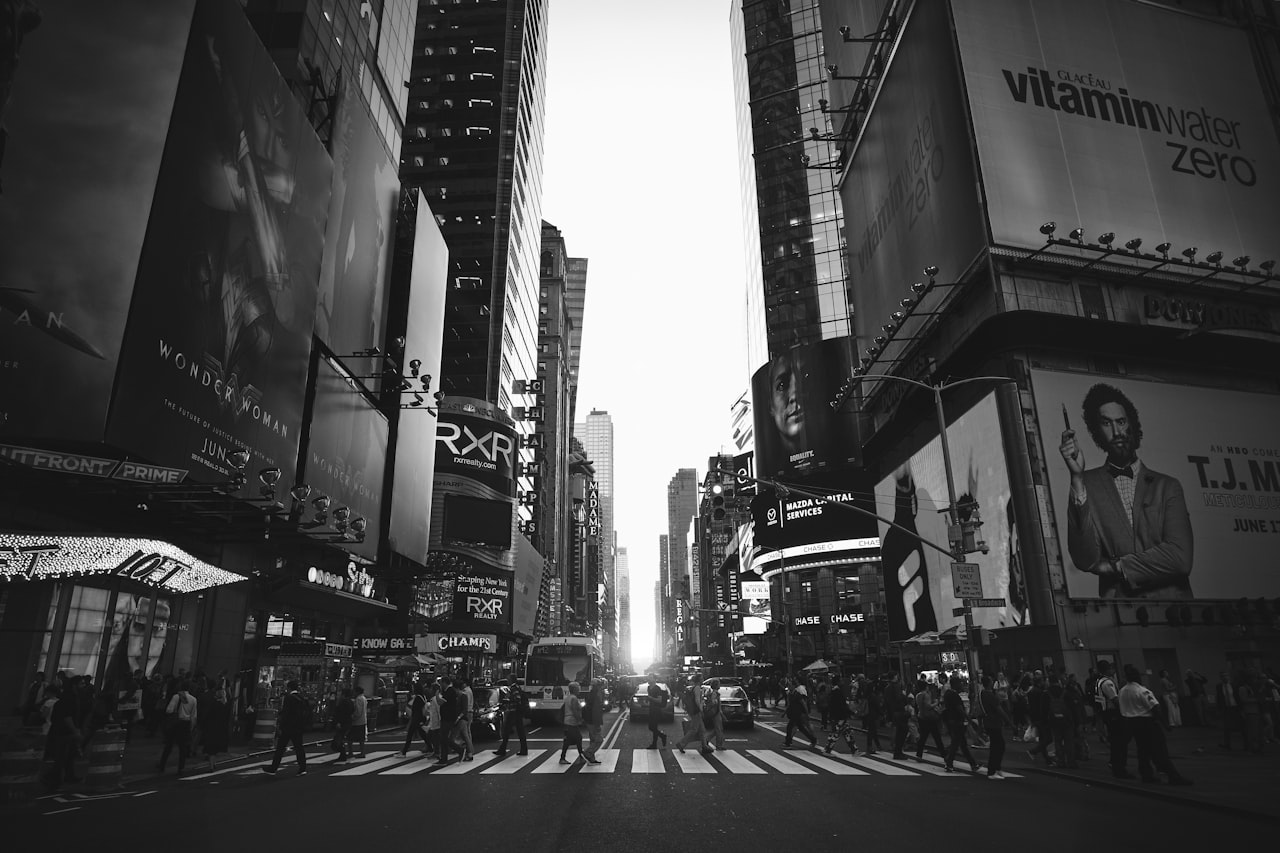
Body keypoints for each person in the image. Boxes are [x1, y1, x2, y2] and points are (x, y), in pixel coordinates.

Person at [1059, 383, 1194, 598]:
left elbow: (1180, 558)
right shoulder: (1087, 484)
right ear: (1096, 432)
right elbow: (1086, 560)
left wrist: (1117, 567)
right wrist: (1076, 477)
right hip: (1120, 616)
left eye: (1121, 422)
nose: (1117, 432)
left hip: (1176, 616)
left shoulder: (1167, 486)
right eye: (1106, 423)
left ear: (1132, 423)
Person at [1119, 666, 1191, 785]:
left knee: (1142, 750)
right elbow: (1155, 708)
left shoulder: (1122, 691)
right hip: (1147, 723)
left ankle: (1146, 774)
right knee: (1160, 749)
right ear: (1137, 677)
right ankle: (1173, 776)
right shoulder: (1142, 690)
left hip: (1132, 723)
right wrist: (1165, 724)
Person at [263, 680, 309, 775]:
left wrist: (280, 725)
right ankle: (302, 767)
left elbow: (286, 714)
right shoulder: (302, 698)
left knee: (280, 748)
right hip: (298, 727)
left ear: (289, 688)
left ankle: (273, 768)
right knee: (299, 747)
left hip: (288, 727)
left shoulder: (289, 698)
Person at [1095, 660, 1130, 778]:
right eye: (1112, 668)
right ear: (1107, 669)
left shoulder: (1099, 682)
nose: (1114, 671)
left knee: (1116, 741)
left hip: (1107, 713)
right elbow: (1115, 699)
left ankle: (1116, 764)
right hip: (1114, 714)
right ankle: (1119, 767)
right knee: (1119, 741)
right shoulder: (1107, 683)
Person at [43, 685, 81, 790]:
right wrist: (75, 731)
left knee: (63, 757)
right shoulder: (67, 703)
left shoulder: (59, 703)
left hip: (56, 731)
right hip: (63, 733)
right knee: (62, 757)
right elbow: (67, 718)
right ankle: (53, 778)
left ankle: (60, 778)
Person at [158, 680, 198, 775]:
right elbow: (194, 716)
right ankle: (181, 767)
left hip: (175, 723)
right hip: (185, 724)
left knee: (168, 746)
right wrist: (191, 727)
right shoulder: (193, 699)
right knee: (183, 747)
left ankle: (162, 765)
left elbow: (169, 710)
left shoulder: (176, 697)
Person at [942, 675, 979, 773]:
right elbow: (960, 709)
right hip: (957, 721)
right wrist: (969, 720)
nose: (961, 686)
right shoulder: (954, 695)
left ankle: (973, 764)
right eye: (960, 684)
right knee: (957, 743)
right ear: (956, 684)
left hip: (951, 721)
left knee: (961, 744)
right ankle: (949, 762)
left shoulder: (947, 694)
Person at [979, 675, 1013, 779]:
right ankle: (992, 770)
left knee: (997, 745)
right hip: (994, 723)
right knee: (997, 746)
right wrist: (1010, 723)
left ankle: (996, 768)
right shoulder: (990, 695)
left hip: (988, 722)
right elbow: (999, 709)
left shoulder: (982, 694)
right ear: (989, 683)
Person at [1044, 673, 1078, 769]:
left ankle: (1061, 761)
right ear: (1058, 681)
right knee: (1069, 741)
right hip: (1067, 720)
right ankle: (1071, 761)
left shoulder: (1046, 693)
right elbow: (1072, 707)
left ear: (1049, 682)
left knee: (1057, 741)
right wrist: (1076, 720)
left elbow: (1044, 709)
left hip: (1054, 721)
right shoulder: (1064, 692)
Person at [676, 674, 711, 753]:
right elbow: (697, 700)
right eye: (702, 678)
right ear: (699, 680)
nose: (703, 679)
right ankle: (681, 743)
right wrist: (701, 709)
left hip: (693, 710)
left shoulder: (693, 687)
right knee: (694, 729)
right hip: (696, 711)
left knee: (702, 729)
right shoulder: (697, 688)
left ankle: (704, 746)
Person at [783, 681, 821, 752]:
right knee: (801, 728)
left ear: (794, 686)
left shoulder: (797, 694)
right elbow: (789, 704)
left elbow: (803, 703)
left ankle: (787, 743)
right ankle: (813, 740)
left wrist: (806, 713)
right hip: (793, 713)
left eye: (790, 685)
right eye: (788, 686)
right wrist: (785, 712)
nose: (789, 687)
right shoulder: (790, 694)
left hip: (797, 713)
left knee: (789, 727)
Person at [200, 687, 232, 772]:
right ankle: (214, 764)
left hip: (212, 729)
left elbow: (207, 716)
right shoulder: (226, 705)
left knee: (211, 749)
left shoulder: (214, 704)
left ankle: (211, 766)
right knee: (216, 749)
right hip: (221, 730)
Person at [824, 676, 857, 755]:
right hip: (839, 716)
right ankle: (828, 749)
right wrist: (850, 712)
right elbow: (841, 705)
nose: (843, 682)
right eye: (841, 680)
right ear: (838, 682)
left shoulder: (834, 691)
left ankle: (854, 750)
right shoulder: (837, 692)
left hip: (838, 716)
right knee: (836, 733)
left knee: (846, 733)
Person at [495, 678, 529, 757]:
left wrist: (508, 700)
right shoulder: (517, 687)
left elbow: (517, 698)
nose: (508, 681)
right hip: (517, 712)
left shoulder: (513, 688)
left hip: (514, 711)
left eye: (509, 679)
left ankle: (502, 750)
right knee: (520, 731)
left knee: (507, 731)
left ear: (511, 680)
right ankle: (523, 749)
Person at [913, 678, 945, 761]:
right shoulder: (925, 695)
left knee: (923, 736)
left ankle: (919, 754)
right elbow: (928, 706)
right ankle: (944, 754)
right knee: (936, 736)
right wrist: (936, 703)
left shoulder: (918, 695)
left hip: (921, 716)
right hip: (929, 718)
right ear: (926, 687)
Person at [399, 683, 431, 757]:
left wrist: (415, 719)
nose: (412, 689)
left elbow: (416, 710)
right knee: (422, 735)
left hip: (416, 719)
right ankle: (430, 748)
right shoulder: (423, 696)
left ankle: (404, 751)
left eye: (413, 688)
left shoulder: (418, 698)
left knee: (410, 735)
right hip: (420, 718)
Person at [883, 673, 910, 759]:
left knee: (898, 731)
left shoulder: (887, 688)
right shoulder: (896, 686)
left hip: (892, 712)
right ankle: (898, 751)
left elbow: (886, 702)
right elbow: (899, 698)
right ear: (894, 677)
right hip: (899, 711)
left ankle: (897, 750)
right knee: (903, 731)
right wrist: (904, 696)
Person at [560, 681, 586, 764]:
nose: (579, 690)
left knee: (575, 739)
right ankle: (563, 758)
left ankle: (580, 757)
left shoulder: (568, 697)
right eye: (578, 688)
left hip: (568, 721)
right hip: (571, 721)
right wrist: (579, 719)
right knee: (574, 739)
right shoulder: (574, 698)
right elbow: (575, 710)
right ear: (574, 689)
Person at [1216, 671, 1239, 749]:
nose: (1225, 677)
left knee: (1240, 725)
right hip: (1225, 708)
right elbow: (1219, 698)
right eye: (1222, 676)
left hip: (1235, 707)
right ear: (1221, 678)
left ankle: (1246, 744)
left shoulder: (1234, 685)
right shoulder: (1219, 687)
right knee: (1226, 727)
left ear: (1229, 677)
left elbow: (1237, 696)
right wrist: (1219, 709)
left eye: (1226, 676)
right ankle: (1227, 744)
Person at [331, 688, 355, 763]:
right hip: (348, 722)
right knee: (340, 739)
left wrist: (338, 722)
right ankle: (343, 754)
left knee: (338, 739)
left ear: (343, 694)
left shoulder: (343, 702)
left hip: (343, 723)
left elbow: (340, 713)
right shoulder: (351, 702)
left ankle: (343, 754)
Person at [645, 678, 669, 749]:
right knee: (651, 727)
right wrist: (647, 700)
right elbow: (650, 698)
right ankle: (661, 737)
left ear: (654, 679)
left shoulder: (657, 689)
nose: (648, 678)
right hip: (651, 709)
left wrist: (650, 698)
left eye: (650, 677)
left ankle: (655, 743)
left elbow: (659, 700)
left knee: (653, 727)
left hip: (656, 710)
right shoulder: (649, 687)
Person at [456, 676, 475, 761]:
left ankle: (469, 750)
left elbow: (465, 705)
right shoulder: (469, 690)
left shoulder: (465, 692)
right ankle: (468, 749)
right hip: (468, 712)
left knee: (465, 733)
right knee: (466, 732)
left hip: (466, 712)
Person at [349, 685, 368, 758]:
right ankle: (362, 752)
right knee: (361, 739)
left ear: (357, 692)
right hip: (363, 721)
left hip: (357, 722)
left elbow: (358, 711)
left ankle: (351, 752)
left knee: (350, 738)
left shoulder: (358, 699)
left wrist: (353, 717)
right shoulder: (364, 698)